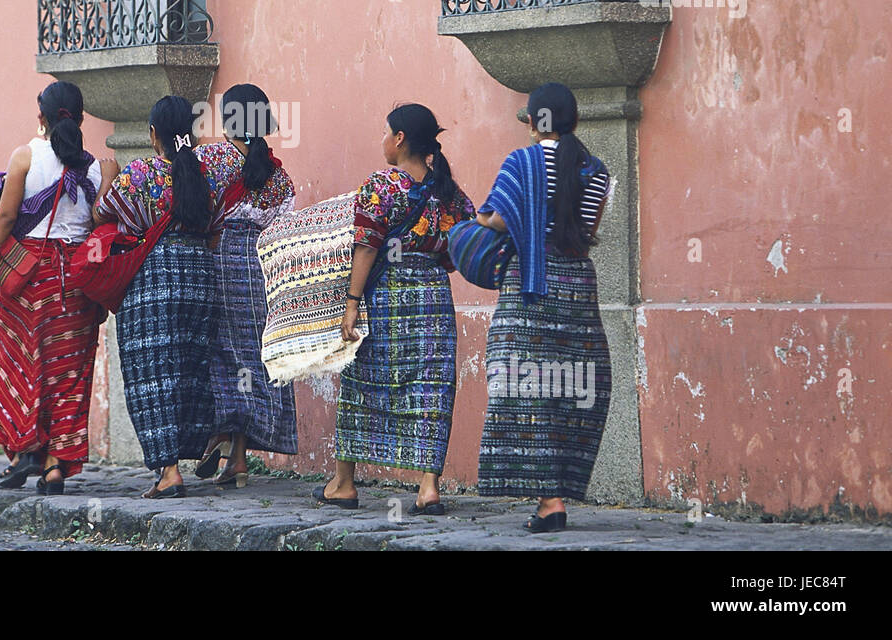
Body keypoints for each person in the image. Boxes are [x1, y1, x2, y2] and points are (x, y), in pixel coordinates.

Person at [315, 104, 474, 514]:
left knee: (361, 382)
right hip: (434, 301)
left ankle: (344, 483)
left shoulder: (381, 186)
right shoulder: (451, 193)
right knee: (431, 388)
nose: (383, 140)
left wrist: (351, 304)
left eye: (386, 132)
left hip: (385, 300)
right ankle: (428, 488)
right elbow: (461, 249)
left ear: (400, 138)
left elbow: (366, 246)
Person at [474, 82, 613, 532]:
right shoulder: (597, 171)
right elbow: (588, 227)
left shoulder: (522, 162)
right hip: (576, 285)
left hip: (530, 287)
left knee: (519, 383)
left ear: (534, 122)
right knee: (566, 386)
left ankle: (550, 500)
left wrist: (476, 221)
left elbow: (497, 218)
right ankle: (555, 497)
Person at [0, 81, 106, 495]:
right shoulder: (98, 169)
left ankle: (25, 450)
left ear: (40, 116)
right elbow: (99, 224)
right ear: (80, 119)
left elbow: (6, 217)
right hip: (78, 283)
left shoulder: (25, 157)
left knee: (18, 365)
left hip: (30, 282)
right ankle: (54, 465)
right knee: (69, 374)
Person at [93, 95, 237, 498]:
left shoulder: (141, 173)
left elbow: (103, 212)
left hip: (153, 278)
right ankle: (201, 449)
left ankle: (168, 471)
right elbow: (217, 227)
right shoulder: (211, 170)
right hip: (201, 277)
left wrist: (108, 176)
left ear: (153, 134)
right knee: (192, 371)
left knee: (152, 374)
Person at [194, 84, 298, 488]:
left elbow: (189, 205)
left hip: (216, 262)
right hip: (258, 271)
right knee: (250, 360)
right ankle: (236, 458)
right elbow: (283, 227)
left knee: (216, 354)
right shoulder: (278, 175)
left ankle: (217, 433)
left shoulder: (211, 159)